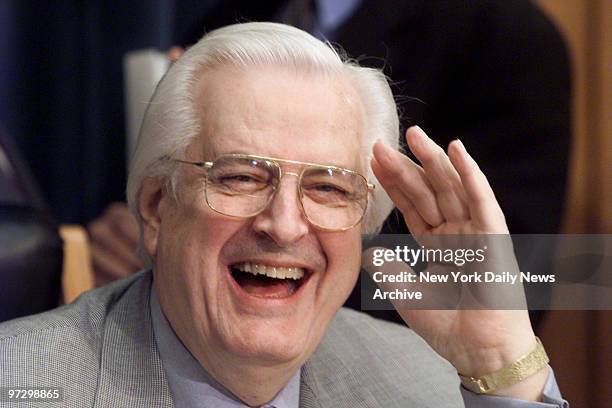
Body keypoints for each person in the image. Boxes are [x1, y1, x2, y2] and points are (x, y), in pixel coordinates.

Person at [0, 23, 567, 407]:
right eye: (241, 176)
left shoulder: (429, 384)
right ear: (156, 205)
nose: (286, 224)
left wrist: (500, 363)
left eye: (328, 188)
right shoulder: (21, 384)